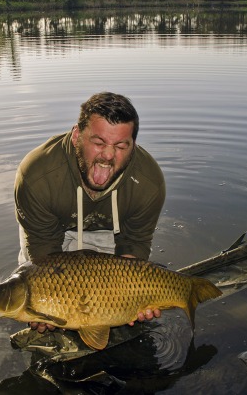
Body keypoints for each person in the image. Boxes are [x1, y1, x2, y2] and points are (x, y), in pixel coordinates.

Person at [14, 92, 166, 332]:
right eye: (98, 143)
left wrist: (134, 296)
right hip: (52, 231)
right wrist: (51, 305)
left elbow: (134, 244)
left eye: (120, 146)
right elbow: (43, 252)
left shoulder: (148, 182)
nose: (108, 155)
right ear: (76, 136)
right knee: (34, 301)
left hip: (107, 231)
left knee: (121, 312)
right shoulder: (36, 175)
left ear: (132, 145)